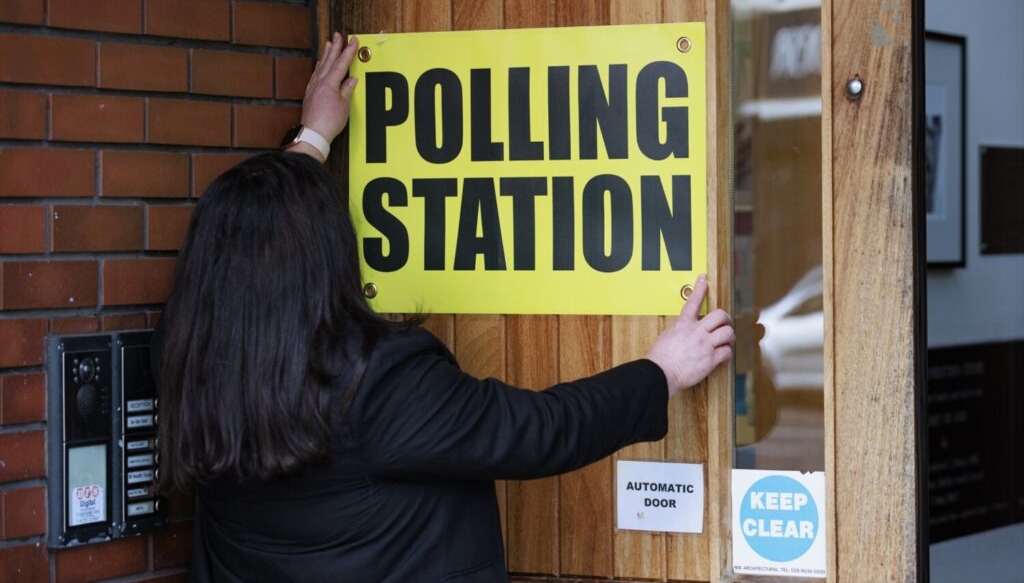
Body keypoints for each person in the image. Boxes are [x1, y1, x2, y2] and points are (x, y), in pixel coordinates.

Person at [155, 33, 735, 582]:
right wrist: (664, 372)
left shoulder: (187, 357)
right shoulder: (376, 385)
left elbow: (259, 239)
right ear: (321, 258)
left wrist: (313, 138)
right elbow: (540, 431)